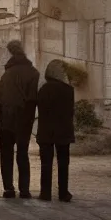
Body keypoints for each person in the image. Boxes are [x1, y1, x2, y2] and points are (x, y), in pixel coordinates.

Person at [0, 40, 39, 199]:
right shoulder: (33, 73)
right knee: (22, 154)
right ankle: (24, 189)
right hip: (24, 120)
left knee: (6, 154)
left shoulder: (7, 74)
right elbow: (33, 99)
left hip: (7, 119)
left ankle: (8, 188)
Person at [36, 59, 75, 202]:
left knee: (46, 164)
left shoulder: (43, 89)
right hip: (63, 131)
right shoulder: (68, 90)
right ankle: (63, 193)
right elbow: (71, 112)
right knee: (63, 164)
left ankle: (45, 193)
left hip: (46, 131)